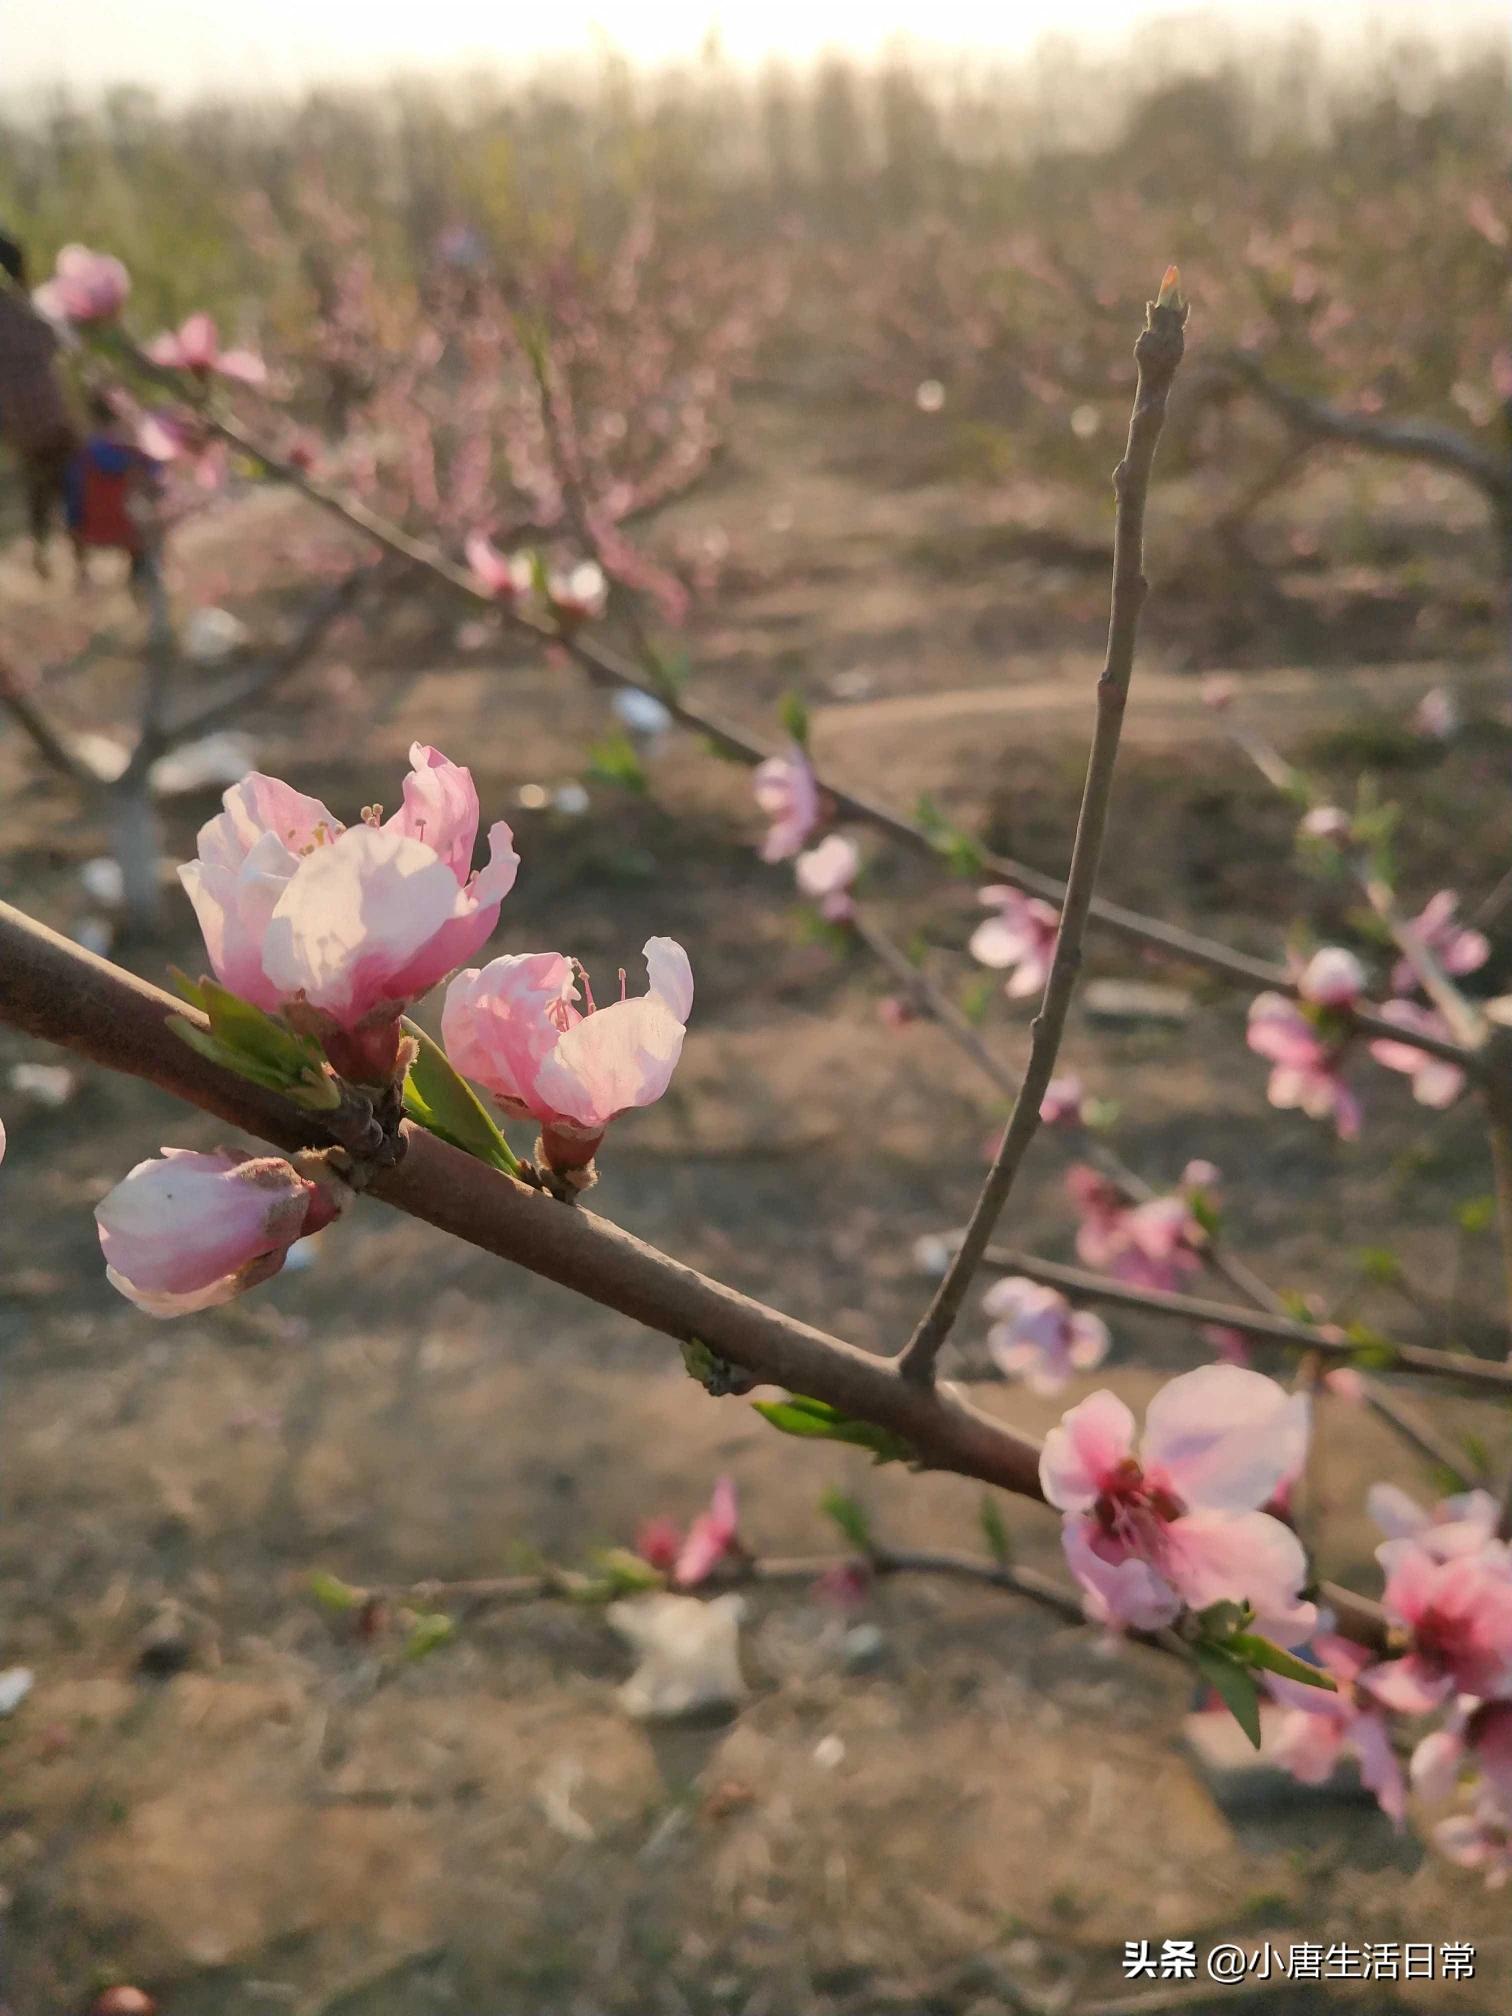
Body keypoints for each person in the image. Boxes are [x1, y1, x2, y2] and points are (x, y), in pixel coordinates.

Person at [0, 230, 81, 576]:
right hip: (51, 415)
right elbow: (59, 345)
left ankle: (43, 550)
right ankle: (79, 560)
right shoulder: (29, 309)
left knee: (38, 485)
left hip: (19, 423)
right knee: (70, 485)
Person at [65, 392, 160, 591]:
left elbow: (73, 508)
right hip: (130, 529)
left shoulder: (82, 457)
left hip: (91, 532)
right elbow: (157, 478)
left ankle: (83, 573)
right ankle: (143, 578)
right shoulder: (134, 452)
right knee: (148, 513)